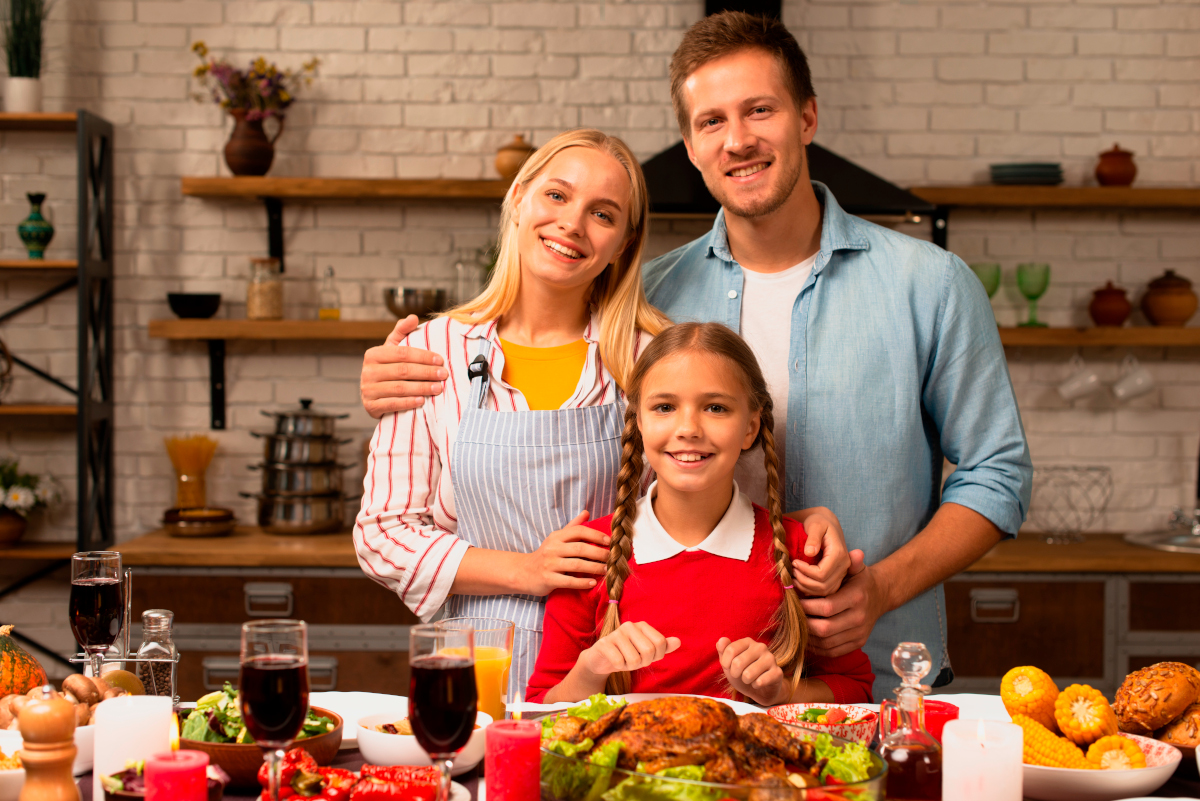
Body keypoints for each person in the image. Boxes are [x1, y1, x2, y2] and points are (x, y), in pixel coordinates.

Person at [359, 13, 1031, 700]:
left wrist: (881, 585)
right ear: (689, 145)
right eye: (712, 121)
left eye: (759, 110)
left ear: (807, 117)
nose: (737, 140)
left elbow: (998, 475)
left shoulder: (931, 284)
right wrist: (395, 374)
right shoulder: (646, 307)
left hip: (879, 674)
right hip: (690, 690)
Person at [353, 128, 845, 701]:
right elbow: (381, 535)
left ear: (624, 243)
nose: (571, 224)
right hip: (472, 656)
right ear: (518, 198)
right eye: (556, 196)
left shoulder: (646, 357)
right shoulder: (430, 354)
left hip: (619, 657)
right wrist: (527, 571)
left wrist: (806, 521)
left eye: (603, 214)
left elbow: (703, 479)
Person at [526, 323, 873, 706]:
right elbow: (541, 708)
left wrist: (781, 692)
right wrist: (591, 671)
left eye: (716, 408)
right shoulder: (589, 553)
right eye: (664, 407)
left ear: (750, 428)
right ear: (639, 422)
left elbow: (855, 691)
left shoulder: (799, 554)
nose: (688, 428)